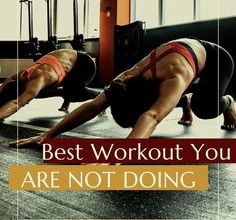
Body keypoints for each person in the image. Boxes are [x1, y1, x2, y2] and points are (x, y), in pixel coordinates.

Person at [10, 38, 236, 147]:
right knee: (167, 101)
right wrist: (49, 135)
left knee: (205, 109)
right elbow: (92, 106)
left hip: (217, 58)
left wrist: (124, 153)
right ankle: (184, 101)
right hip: (179, 59)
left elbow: (153, 116)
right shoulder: (126, 80)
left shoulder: (175, 77)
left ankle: (230, 103)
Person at [0, 49, 97, 120]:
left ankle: (99, 95)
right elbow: (2, 90)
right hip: (67, 61)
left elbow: (16, 103)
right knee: (37, 93)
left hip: (84, 65)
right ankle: (66, 96)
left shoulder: (39, 78)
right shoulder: (16, 78)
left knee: (72, 94)